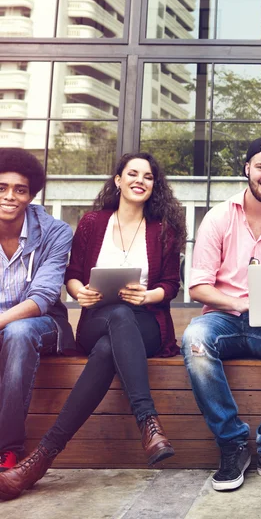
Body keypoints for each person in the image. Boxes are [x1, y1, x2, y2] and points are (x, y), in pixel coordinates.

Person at [0, 152, 186, 501]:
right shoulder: (92, 223)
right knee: (113, 319)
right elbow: (72, 275)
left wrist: (146, 296)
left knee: (113, 337)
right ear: (117, 180)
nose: (139, 181)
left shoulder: (164, 230)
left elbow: (172, 285)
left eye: (148, 177)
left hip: (146, 322)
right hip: (95, 319)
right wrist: (79, 293)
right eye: (132, 173)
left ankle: (40, 460)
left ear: (154, 186)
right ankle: (148, 423)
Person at [182, 136, 261, 493]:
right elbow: (198, 288)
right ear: (247, 169)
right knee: (194, 338)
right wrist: (239, 303)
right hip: (224, 317)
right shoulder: (218, 218)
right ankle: (233, 443)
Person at [0, 149, 74, 473]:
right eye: (1, 187)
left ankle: (7, 449)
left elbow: (42, 297)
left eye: (20, 189)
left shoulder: (55, 232)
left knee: (17, 331)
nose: (10, 196)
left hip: (43, 323)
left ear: (31, 195)